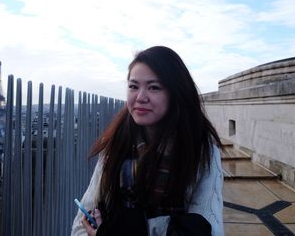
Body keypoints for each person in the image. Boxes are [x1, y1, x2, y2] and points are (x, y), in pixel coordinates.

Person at [72, 46, 224, 236]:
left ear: (176, 93)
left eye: (154, 87)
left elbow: (210, 228)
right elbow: (81, 226)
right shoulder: (117, 144)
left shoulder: (201, 150)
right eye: (133, 86)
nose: (140, 97)